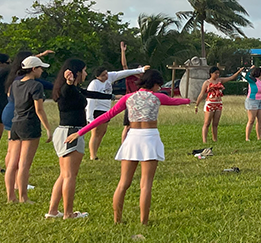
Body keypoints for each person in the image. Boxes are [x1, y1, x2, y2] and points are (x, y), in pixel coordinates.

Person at [68, 70, 191, 225]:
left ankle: (117, 219)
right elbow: (175, 101)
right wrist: (189, 100)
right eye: (158, 85)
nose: (159, 88)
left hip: (132, 138)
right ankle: (144, 222)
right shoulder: (157, 97)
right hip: (150, 138)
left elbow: (106, 116)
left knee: (123, 183)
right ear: (154, 83)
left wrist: (80, 132)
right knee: (146, 184)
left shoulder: (128, 98)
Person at [47, 59, 115, 219]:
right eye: (83, 71)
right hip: (71, 132)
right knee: (70, 175)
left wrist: (113, 96)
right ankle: (68, 213)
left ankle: (53, 211)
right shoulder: (67, 89)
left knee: (64, 174)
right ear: (75, 73)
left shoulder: (75, 89)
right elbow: (67, 91)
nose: (86, 73)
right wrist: (69, 82)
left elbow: (90, 94)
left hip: (65, 132)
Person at [4, 56, 54, 204]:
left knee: (12, 163)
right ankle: (23, 197)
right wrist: (48, 129)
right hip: (29, 124)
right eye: (40, 68)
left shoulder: (15, 84)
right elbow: (39, 109)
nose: (41, 71)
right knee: (24, 164)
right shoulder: (36, 85)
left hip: (16, 123)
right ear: (33, 69)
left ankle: (10, 197)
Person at [86, 43, 148, 160]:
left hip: (106, 109)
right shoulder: (94, 84)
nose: (106, 76)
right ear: (97, 76)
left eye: (106, 73)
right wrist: (89, 117)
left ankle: (95, 154)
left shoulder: (109, 77)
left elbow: (122, 73)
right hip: (97, 110)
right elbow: (91, 100)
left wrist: (141, 69)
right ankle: (92, 155)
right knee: (95, 133)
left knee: (102, 132)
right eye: (103, 75)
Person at [194, 66, 244, 143]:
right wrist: (196, 105)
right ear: (211, 73)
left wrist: (239, 71)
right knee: (207, 123)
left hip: (218, 103)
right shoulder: (207, 83)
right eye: (215, 73)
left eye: (218, 73)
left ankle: (215, 139)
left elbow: (231, 77)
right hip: (210, 103)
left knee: (215, 123)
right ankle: (204, 140)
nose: (217, 75)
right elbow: (201, 94)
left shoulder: (220, 80)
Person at [242, 66, 261, 141]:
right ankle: (247, 137)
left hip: (260, 101)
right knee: (251, 119)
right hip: (252, 100)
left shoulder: (260, 81)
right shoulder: (253, 80)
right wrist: (250, 69)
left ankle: (259, 137)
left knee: (260, 119)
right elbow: (246, 76)